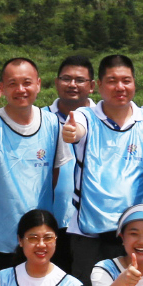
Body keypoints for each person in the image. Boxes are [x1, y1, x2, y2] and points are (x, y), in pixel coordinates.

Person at [0, 58, 65, 286]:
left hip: (39, 237)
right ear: (2, 89)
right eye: (13, 84)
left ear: (39, 84)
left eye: (27, 83)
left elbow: (54, 174)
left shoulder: (53, 123)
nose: (21, 89)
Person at [64, 55, 143, 282]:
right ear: (99, 85)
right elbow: (77, 130)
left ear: (135, 83)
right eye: (112, 81)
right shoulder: (85, 116)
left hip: (134, 234)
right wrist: (72, 132)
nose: (120, 87)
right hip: (89, 234)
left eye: (126, 80)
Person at [44, 54, 95, 239]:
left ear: (92, 86)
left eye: (80, 80)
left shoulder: (103, 120)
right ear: (56, 83)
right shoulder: (40, 120)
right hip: (48, 222)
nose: (72, 84)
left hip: (91, 223)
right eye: (66, 79)